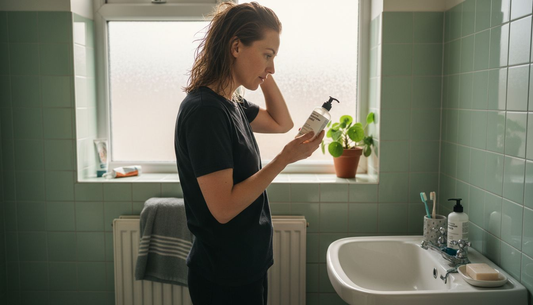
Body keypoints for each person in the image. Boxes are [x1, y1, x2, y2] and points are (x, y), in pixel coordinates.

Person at [174, 2, 324, 304]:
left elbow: (283, 123)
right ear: (236, 47)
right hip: (223, 277)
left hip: (245, 266)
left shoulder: (232, 102)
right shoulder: (207, 111)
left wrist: (262, 70)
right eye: (267, 55)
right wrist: (283, 160)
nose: (272, 68)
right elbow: (224, 207)